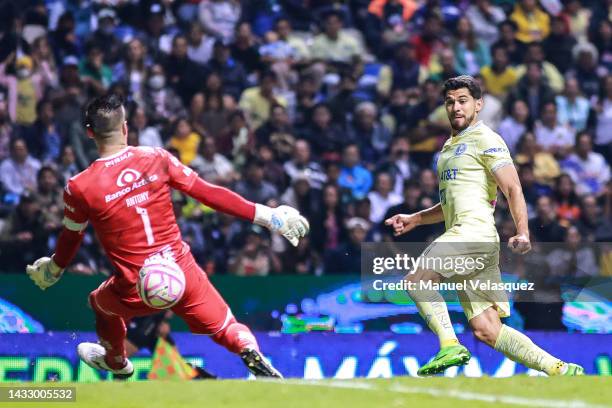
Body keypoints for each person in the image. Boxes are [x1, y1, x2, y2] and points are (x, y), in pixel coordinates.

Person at [25, 94, 309, 379]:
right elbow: (208, 193)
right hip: (180, 271)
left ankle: (116, 360)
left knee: (99, 303)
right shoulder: (156, 158)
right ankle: (249, 350)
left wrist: (54, 269)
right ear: (125, 127)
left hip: (134, 284)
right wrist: (267, 216)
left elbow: (71, 237)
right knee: (225, 327)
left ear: (89, 133)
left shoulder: (80, 186)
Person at [385, 76, 584, 376]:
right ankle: (557, 368)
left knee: (417, 280)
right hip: (470, 238)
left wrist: (522, 231)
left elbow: (513, 188)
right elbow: (451, 204)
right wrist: (416, 218)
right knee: (486, 329)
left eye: (462, 100)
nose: (456, 107)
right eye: (450, 101)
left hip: (473, 233)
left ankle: (449, 344)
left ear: (478, 105)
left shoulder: (486, 139)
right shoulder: (449, 148)